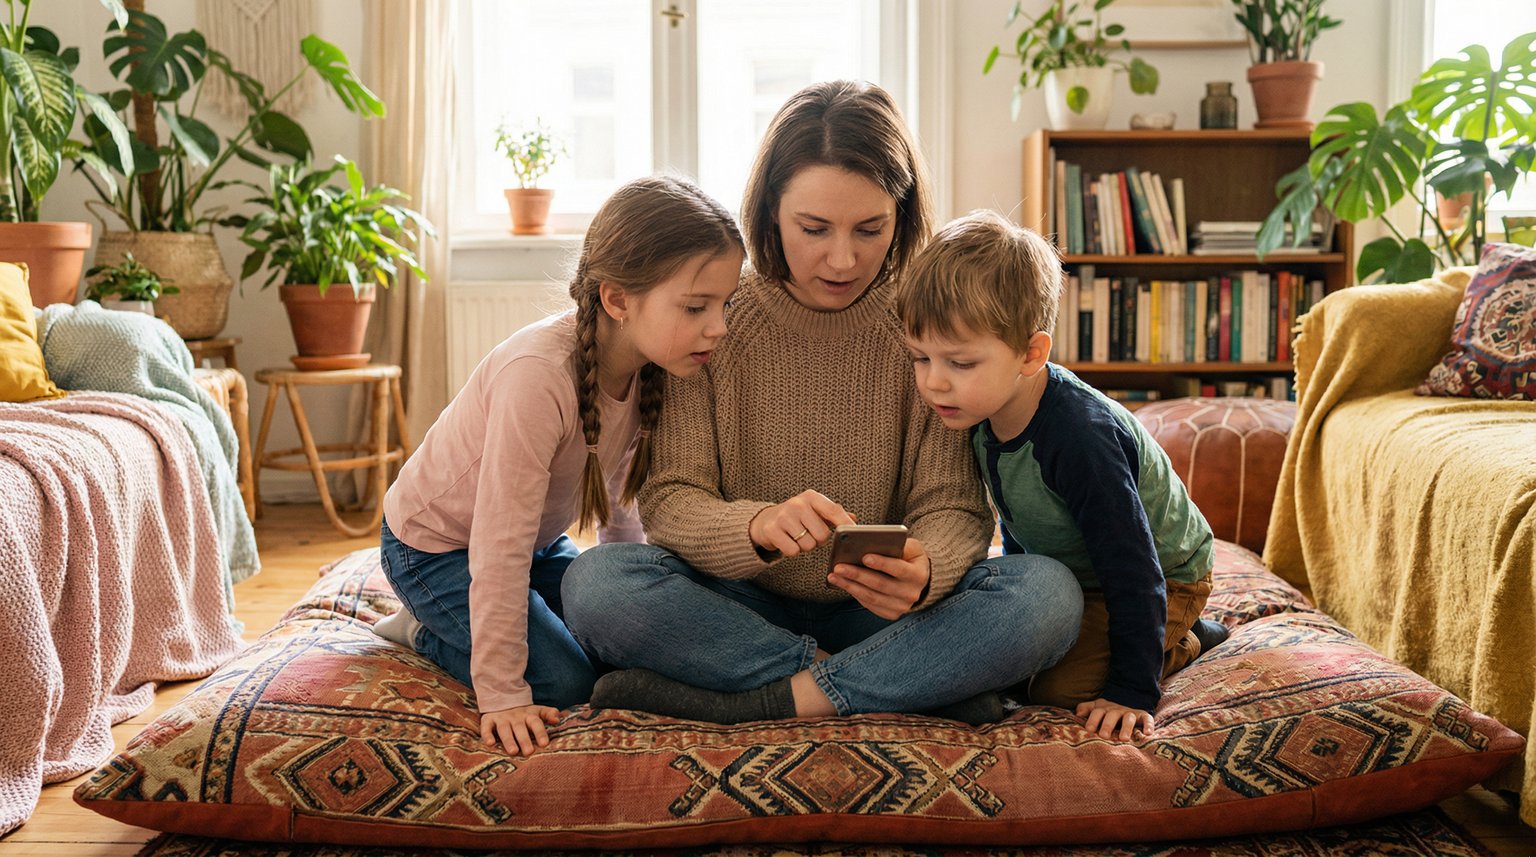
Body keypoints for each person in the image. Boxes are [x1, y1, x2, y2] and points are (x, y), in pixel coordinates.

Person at [559, 80, 1083, 726]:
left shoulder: (925, 324)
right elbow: (670, 500)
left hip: (883, 613)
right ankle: (909, 682)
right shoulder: (714, 319)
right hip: (739, 604)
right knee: (596, 583)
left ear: (903, 212)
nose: (843, 258)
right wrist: (755, 526)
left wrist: (924, 571)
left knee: (1046, 594)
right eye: (814, 228)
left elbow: (951, 505)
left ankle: (777, 697)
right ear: (771, 212)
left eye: (871, 228)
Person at [372, 176, 744, 756]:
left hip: (536, 545)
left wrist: (630, 591)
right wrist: (502, 693)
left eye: (725, 304)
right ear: (617, 299)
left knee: (610, 642)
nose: (718, 326)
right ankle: (422, 629)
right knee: (566, 682)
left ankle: (473, 626)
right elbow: (498, 545)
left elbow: (622, 494)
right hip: (434, 547)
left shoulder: (652, 363)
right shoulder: (538, 378)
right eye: (697, 307)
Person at [894, 209, 1229, 742]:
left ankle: (1185, 639)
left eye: (959, 363)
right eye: (920, 358)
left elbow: (1132, 565)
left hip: (1161, 577)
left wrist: (1132, 689)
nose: (934, 383)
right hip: (1072, 574)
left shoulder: (1080, 437)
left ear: (1031, 353)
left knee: (1057, 687)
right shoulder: (977, 411)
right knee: (1004, 651)